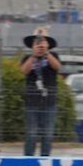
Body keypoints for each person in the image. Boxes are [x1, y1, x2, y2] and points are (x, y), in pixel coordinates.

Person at [20, 28, 62, 156]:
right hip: (32, 102)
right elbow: (24, 71)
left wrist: (46, 53)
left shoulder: (53, 56)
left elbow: (57, 67)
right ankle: (28, 159)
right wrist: (34, 56)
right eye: (37, 42)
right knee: (31, 134)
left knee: (48, 134)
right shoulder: (27, 58)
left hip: (49, 102)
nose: (40, 45)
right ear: (32, 45)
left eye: (43, 42)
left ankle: (45, 159)